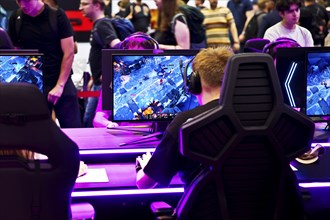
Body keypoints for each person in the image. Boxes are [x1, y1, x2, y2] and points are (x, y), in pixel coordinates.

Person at [135, 47, 234, 189]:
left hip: (201, 209)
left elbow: (144, 184)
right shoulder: (251, 118)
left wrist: (144, 168)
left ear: (194, 82)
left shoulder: (185, 123)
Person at [8, 0, 81, 128]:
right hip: (33, 86)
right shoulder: (16, 18)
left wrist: (60, 85)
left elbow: (69, 52)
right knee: (34, 130)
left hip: (61, 81)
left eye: (26, 1)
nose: (23, 5)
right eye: (19, 1)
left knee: (73, 129)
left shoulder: (57, 16)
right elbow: (16, 53)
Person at [93, 32, 159, 128]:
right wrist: (109, 124)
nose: (136, 60)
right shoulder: (114, 83)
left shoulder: (159, 79)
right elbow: (98, 119)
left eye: (142, 54)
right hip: (126, 136)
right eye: (131, 54)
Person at [79, 0, 120, 127]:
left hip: (103, 84)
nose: (80, 8)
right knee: (89, 119)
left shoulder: (103, 24)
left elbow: (118, 46)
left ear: (97, 6)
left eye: (85, 4)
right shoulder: (99, 24)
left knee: (90, 120)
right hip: (98, 81)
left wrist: (108, 73)